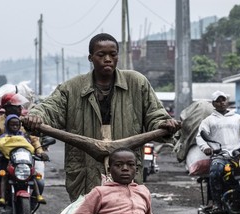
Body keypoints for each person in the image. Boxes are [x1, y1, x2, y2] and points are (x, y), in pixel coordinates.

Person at [23, 32, 179, 202]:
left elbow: (155, 114)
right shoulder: (72, 88)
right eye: (101, 55)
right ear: (90, 57)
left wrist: (164, 123)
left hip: (124, 166)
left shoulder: (137, 82)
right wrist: (36, 116)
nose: (107, 59)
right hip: (85, 168)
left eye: (112, 55)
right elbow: (49, 108)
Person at [196, 91, 240, 213]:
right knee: (215, 172)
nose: (221, 102)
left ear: (227, 102)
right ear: (213, 103)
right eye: (218, 100)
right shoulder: (208, 121)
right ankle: (217, 203)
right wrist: (206, 147)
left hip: (239, 154)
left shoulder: (238, 118)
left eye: (223, 100)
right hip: (220, 155)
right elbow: (200, 136)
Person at [0, 93, 48, 214]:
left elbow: (34, 139)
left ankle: (30, 210)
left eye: (19, 106)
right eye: (16, 106)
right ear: (7, 108)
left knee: (40, 182)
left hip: (24, 160)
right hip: (4, 160)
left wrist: (40, 152)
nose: (20, 109)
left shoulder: (25, 121)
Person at [0, 114, 45, 209]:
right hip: (6, 162)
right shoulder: (3, 137)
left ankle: (32, 208)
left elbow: (31, 147)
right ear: (7, 125)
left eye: (17, 125)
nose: (15, 127)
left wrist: (40, 153)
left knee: (40, 181)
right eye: (12, 125)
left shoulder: (25, 137)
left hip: (24, 164)